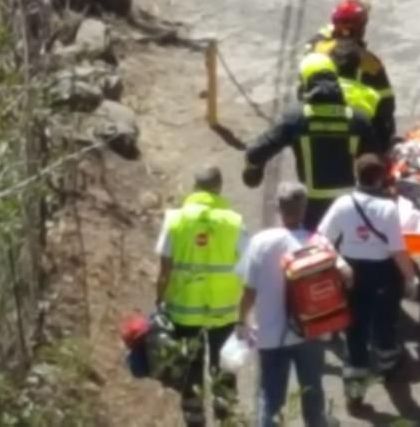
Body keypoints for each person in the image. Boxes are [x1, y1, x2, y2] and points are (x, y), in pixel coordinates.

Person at [237, 183, 350, 427]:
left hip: (271, 335)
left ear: (278, 207)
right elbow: (347, 274)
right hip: (310, 331)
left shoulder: (260, 242)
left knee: (271, 398)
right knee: (312, 391)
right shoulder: (319, 242)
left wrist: (242, 320)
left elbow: (249, 292)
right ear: (305, 208)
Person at [317, 154, 419, 414]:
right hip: (383, 274)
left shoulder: (343, 203)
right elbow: (398, 250)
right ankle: (388, 367)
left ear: (356, 175)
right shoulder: (387, 209)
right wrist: (411, 278)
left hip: (352, 273)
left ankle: (354, 393)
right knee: (384, 324)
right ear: (381, 178)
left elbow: (321, 238)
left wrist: (340, 264)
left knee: (354, 333)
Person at [243, 53, 379, 230]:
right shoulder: (358, 119)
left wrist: (253, 170)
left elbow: (255, 152)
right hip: (349, 208)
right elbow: (375, 161)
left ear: (305, 83)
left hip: (310, 210)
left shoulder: (296, 118)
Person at [155, 166, 247, 426]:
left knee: (191, 366)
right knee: (225, 364)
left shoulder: (175, 220)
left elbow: (164, 269)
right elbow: (249, 265)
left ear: (194, 188)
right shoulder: (234, 222)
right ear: (219, 187)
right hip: (224, 309)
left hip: (184, 309)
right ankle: (226, 415)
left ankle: (195, 417)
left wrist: (159, 300)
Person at [308, 0, 396, 145]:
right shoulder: (370, 62)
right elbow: (387, 104)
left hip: (316, 121)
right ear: (362, 28)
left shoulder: (319, 49)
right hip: (358, 128)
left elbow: (319, 37)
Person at [329, 38, 393, 150]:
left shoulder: (322, 93)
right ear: (358, 67)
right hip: (361, 153)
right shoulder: (371, 96)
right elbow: (385, 116)